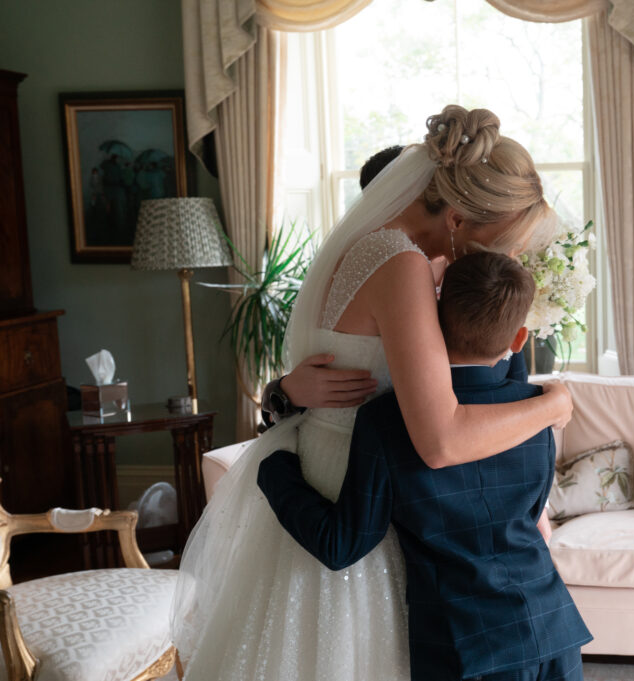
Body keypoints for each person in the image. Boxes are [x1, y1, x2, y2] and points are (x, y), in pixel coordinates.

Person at [171, 105, 572, 681]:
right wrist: (554, 404)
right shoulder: (401, 265)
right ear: (458, 216)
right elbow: (439, 440)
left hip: (347, 471)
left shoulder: (377, 247)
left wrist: (280, 392)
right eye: (499, 241)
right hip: (358, 501)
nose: (501, 258)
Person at [258, 251, 591, 681]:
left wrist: (274, 467)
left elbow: (341, 545)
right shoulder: (537, 412)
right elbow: (531, 512)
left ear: (430, 317)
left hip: (464, 646)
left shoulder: (385, 421)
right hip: (552, 626)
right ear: (520, 339)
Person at [260, 143, 526, 428]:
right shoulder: (381, 262)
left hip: (462, 432)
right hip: (383, 449)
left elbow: (508, 359)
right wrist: (282, 392)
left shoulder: (468, 261)